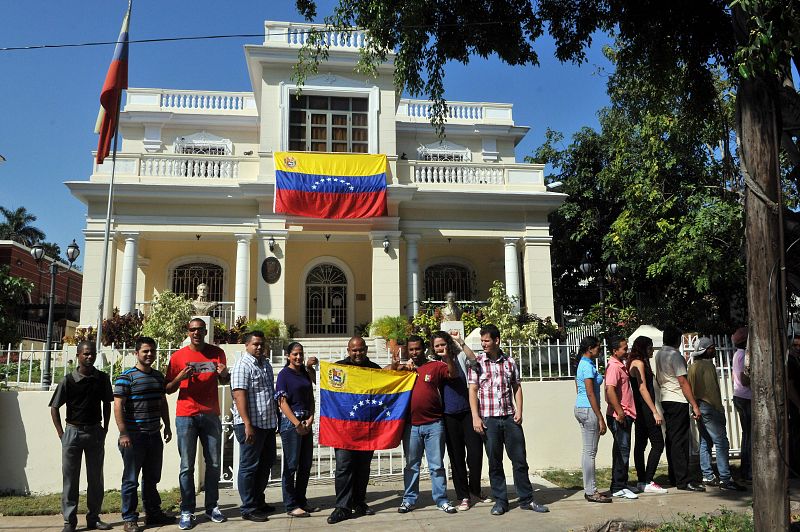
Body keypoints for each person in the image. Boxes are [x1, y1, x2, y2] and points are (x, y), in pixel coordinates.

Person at [468, 324, 549, 515]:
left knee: (520, 460)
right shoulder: (478, 363)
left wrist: (519, 410)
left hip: (510, 418)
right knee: (495, 462)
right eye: (482, 341)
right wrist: (475, 417)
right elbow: (472, 390)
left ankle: (527, 499)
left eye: (486, 340)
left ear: (497, 340)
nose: (483, 344)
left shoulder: (510, 362)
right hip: (489, 420)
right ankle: (501, 501)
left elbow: (517, 386)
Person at [165, 318, 230, 530]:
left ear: (205, 331)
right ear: (188, 331)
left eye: (200, 330)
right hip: (186, 415)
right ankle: (187, 510)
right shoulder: (178, 356)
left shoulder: (217, 353)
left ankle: (212, 507)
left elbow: (224, 381)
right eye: (193, 329)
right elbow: (168, 388)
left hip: (211, 414)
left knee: (213, 464)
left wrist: (224, 374)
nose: (196, 333)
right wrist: (180, 377)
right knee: (186, 466)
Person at [49, 341, 114, 532]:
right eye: (85, 354)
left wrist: (105, 428)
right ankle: (69, 522)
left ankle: (94, 518)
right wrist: (62, 433)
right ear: (78, 355)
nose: (89, 357)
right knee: (70, 480)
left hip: (95, 432)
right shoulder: (68, 380)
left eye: (92, 353)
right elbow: (54, 408)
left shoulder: (102, 378)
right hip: (72, 433)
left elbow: (108, 404)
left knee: (95, 479)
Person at [113, 337, 175, 532]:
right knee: (130, 479)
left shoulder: (158, 377)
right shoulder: (126, 377)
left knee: (151, 478)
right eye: (145, 351)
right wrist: (123, 433)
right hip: (133, 437)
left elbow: (162, 402)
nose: (149, 354)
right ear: (136, 353)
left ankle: (153, 514)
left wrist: (167, 425)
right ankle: (130, 519)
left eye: (152, 351)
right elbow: (118, 406)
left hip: (153, 435)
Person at [397, 335, 459, 515]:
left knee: (437, 466)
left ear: (423, 349)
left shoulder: (435, 366)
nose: (414, 352)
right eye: (411, 349)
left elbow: (452, 374)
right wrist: (397, 366)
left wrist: (447, 357)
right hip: (411, 426)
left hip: (434, 424)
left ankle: (441, 500)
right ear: (407, 351)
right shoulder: (404, 369)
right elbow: (384, 373)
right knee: (411, 466)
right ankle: (409, 500)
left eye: (417, 349)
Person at [327, 336, 384, 525]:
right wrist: (311, 369)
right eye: (354, 350)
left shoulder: (374, 369)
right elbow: (322, 383)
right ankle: (342, 507)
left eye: (361, 350)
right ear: (348, 350)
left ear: (366, 349)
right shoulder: (338, 368)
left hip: (367, 430)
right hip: (343, 430)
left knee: (363, 468)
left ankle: (359, 502)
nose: (357, 353)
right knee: (344, 467)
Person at [431, 330, 487, 511]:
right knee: (456, 458)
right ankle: (463, 495)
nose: (440, 348)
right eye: (437, 345)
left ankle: (475, 491)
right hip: (448, 416)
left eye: (443, 344)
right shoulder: (434, 364)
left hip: (469, 413)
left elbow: (474, 361)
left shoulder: (460, 357)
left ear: (448, 344)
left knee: (475, 454)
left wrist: (460, 342)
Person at [229, 331, 277, 522]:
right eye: (255, 344)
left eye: (261, 344)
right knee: (249, 466)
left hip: (266, 424)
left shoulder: (266, 364)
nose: (259, 347)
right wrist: (247, 424)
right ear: (247, 345)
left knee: (266, 463)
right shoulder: (243, 365)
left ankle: (258, 500)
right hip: (250, 425)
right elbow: (239, 395)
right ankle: (248, 507)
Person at [688, 337, 745, 491]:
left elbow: (691, 389)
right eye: (712, 347)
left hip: (699, 407)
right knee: (721, 442)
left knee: (706, 442)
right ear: (705, 350)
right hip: (710, 408)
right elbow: (712, 391)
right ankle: (725, 479)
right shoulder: (708, 366)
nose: (714, 350)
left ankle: (707, 475)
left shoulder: (693, 366)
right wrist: (718, 409)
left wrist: (695, 408)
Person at [654, 325, 704, 492]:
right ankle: (683, 480)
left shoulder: (659, 354)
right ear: (677, 340)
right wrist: (695, 405)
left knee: (672, 439)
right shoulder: (675, 356)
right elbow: (683, 381)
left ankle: (675, 476)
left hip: (666, 398)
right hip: (677, 399)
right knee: (680, 442)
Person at [275, 342, 320, 518]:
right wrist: (297, 424)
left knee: (305, 465)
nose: (298, 357)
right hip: (290, 424)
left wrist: (309, 419)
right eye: (295, 354)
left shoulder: (304, 374)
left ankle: (302, 501)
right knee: (291, 465)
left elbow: (311, 398)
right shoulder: (284, 375)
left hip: (306, 422)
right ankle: (290, 504)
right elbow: (282, 402)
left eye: (300, 354)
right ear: (288, 356)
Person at [574, 336, 611, 503]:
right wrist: (600, 417)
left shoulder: (583, 364)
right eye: (597, 347)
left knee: (587, 451)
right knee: (590, 452)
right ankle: (591, 491)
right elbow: (589, 393)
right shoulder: (587, 366)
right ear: (590, 348)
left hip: (582, 408)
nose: (599, 350)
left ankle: (589, 488)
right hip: (589, 410)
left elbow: (578, 387)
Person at [627, 336, 667, 494]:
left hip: (641, 408)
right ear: (644, 348)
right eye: (650, 347)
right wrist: (654, 411)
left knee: (641, 445)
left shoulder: (637, 362)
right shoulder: (639, 363)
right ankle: (647, 480)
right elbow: (643, 389)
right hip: (644, 409)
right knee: (658, 443)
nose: (652, 351)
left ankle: (642, 480)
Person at [605, 337, 638, 499]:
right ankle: (618, 486)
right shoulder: (613, 367)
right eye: (624, 349)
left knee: (622, 450)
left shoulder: (620, 365)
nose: (627, 351)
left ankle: (621, 483)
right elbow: (610, 390)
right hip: (619, 415)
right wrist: (620, 411)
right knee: (622, 451)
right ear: (615, 351)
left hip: (625, 414)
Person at [730, 327, 751, 482]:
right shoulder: (744, 355)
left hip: (739, 396)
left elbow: (734, 377)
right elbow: (744, 379)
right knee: (750, 436)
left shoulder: (737, 354)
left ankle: (746, 470)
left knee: (746, 435)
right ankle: (747, 470)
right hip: (746, 397)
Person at [787, 335, 800, 478]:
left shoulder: (796, 360)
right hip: (794, 404)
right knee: (795, 435)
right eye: (795, 345)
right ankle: (794, 467)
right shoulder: (790, 361)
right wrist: (798, 404)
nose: (798, 348)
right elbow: (790, 386)